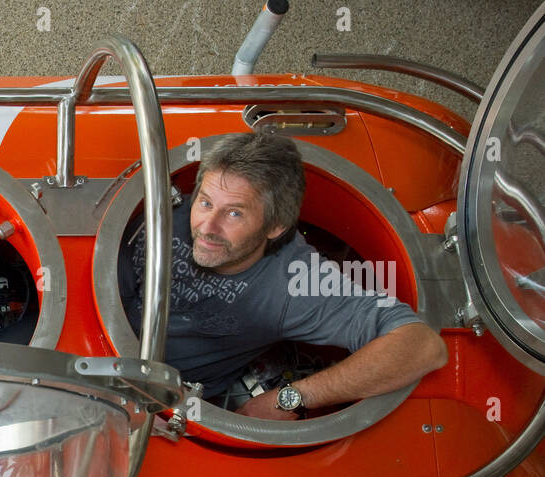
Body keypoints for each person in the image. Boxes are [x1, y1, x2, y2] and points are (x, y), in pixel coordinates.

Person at [118, 132, 447, 420]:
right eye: (205, 202)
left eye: (234, 213)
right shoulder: (167, 208)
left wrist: (289, 397)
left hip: (157, 398)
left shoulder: (294, 283)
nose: (207, 227)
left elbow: (421, 346)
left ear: (276, 227)